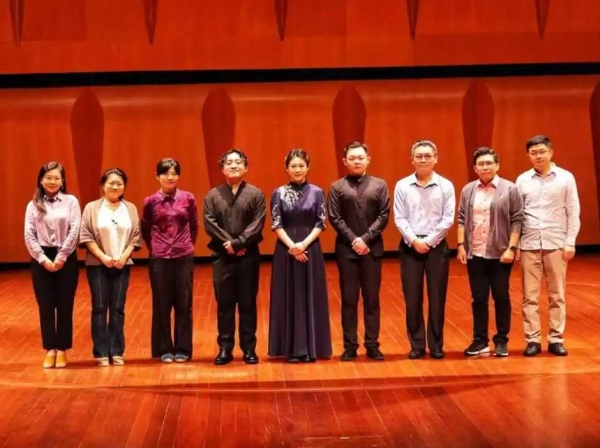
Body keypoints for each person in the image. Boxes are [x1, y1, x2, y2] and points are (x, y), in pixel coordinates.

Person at [516, 135, 580, 357]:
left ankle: (556, 339)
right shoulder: (522, 180)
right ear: (528, 155)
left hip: (556, 243)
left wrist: (570, 241)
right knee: (529, 296)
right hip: (529, 243)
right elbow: (517, 214)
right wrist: (516, 245)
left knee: (557, 294)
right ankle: (532, 339)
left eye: (542, 151)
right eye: (533, 153)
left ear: (551, 152)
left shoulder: (566, 178)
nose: (538, 156)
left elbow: (573, 211)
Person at [456, 147, 524, 357]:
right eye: (481, 164)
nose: (485, 167)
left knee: (501, 297)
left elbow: (517, 219)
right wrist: (461, 245)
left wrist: (512, 247)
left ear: (497, 165)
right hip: (475, 251)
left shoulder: (510, 189)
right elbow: (461, 218)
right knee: (478, 298)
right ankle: (480, 340)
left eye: (489, 163)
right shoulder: (468, 190)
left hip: (500, 253)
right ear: (475, 168)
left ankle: (501, 340)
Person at [203, 149, 266, 366]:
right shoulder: (213, 195)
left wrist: (239, 243)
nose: (233, 165)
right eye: (229, 162)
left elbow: (257, 223)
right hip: (222, 257)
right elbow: (210, 224)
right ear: (222, 169)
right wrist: (229, 245)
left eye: (238, 162)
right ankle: (225, 348)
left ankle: (249, 348)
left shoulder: (256, 194)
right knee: (225, 304)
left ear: (245, 167)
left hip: (248, 256)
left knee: (248, 303)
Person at [268, 149, 332, 363]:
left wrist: (303, 244)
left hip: (310, 248)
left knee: (310, 296)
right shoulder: (278, 193)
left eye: (301, 166)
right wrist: (293, 247)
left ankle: (310, 348)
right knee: (288, 296)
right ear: (286, 169)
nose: (297, 169)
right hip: (285, 249)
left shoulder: (317, 192)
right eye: (293, 166)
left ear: (308, 167)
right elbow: (277, 223)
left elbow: (320, 222)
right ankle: (291, 349)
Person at [327, 141, 390, 361]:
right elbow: (334, 217)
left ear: (368, 160)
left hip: (372, 250)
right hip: (347, 251)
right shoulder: (337, 187)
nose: (356, 161)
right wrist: (354, 240)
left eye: (360, 157)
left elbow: (384, 215)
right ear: (345, 161)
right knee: (349, 300)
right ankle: (350, 345)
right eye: (352, 158)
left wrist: (365, 239)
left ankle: (372, 344)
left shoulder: (380, 185)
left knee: (372, 300)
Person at [393, 140, 455, 360]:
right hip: (410, 246)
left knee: (437, 298)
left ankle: (436, 344)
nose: (423, 160)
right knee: (412, 298)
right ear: (412, 160)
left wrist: (429, 241)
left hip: (436, 247)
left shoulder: (446, 186)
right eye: (419, 156)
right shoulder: (402, 185)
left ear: (436, 158)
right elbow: (399, 217)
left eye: (428, 156)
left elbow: (448, 219)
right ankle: (417, 344)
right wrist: (414, 240)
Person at [79, 168, 142, 367]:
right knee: (99, 307)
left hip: (122, 264)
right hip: (98, 264)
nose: (115, 187)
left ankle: (116, 350)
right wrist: (103, 256)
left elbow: (136, 236)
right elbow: (86, 235)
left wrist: (124, 256)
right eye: (111, 183)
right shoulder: (91, 208)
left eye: (119, 183)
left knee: (118, 308)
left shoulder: (130, 208)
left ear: (124, 186)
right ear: (103, 185)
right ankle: (101, 352)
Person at [24, 161, 81, 369]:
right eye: (48, 177)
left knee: (65, 304)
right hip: (41, 257)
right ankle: (50, 349)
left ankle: (62, 349)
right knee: (46, 305)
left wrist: (62, 256)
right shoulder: (33, 204)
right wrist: (42, 258)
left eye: (57, 178)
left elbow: (75, 229)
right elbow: (29, 234)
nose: (52, 181)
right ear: (41, 180)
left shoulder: (71, 201)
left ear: (62, 181)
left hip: (66, 255)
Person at [142, 158, 199, 363]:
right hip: (159, 257)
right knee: (161, 303)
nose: (170, 177)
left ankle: (183, 348)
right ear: (157, 176)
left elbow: (194, 225)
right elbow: (146, 227)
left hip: (183, 255)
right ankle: (164, 348)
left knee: (184, 303)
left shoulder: (188, 198)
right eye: (165, 173)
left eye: (174, 173)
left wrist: (186, 244)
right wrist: (156, 248)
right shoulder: (150, 201)